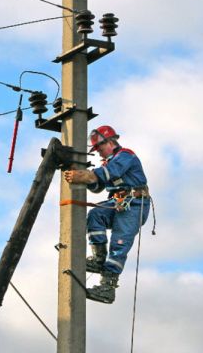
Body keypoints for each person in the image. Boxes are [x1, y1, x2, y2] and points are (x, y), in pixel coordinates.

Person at [64, 125, 150, 304]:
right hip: (118, 203)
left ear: (110, 142)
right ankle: (99, 258)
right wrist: (83, 175)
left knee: (119, 242)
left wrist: (85, 175)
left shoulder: (125, 156)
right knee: (96, 215)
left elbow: (108, 173)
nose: (98, 152)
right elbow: (97, 186)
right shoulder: (107, 163)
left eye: (99, 147)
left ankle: (107, 288)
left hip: (135, 204)